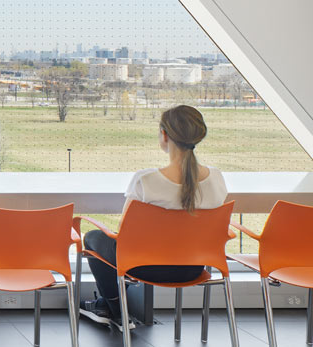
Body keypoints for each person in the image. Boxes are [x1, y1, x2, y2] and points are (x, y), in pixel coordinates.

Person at [79, 104, 228, 330]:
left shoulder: (145, 181)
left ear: (164, 135)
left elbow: (124, 233)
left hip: (144, 267)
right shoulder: (217, 178)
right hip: (193, 267)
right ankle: (107, 307)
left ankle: (115, 310)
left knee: (93, 237)